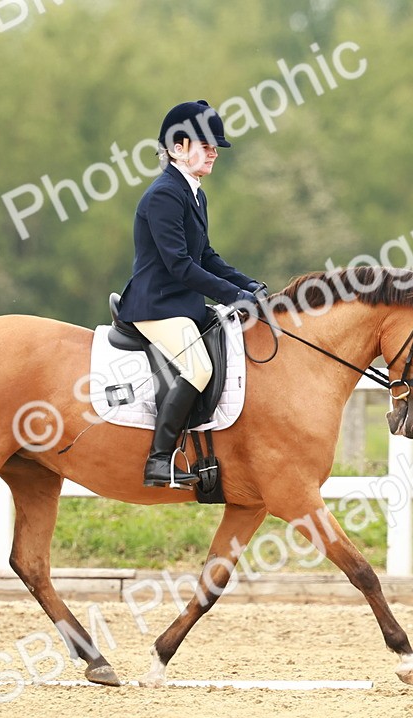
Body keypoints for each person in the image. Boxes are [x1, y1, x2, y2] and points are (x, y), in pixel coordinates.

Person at [117, 100, 267, 488]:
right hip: (156, 305)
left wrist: (249, 285)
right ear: (177, 147)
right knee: (199, 367)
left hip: (182, 304)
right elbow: (179, 265)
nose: (214, 151)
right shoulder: (165, 194)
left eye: (216, 146)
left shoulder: (195, 193)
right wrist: (234, 295)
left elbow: (207, 256)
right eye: (206, 144)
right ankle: (159, 460)